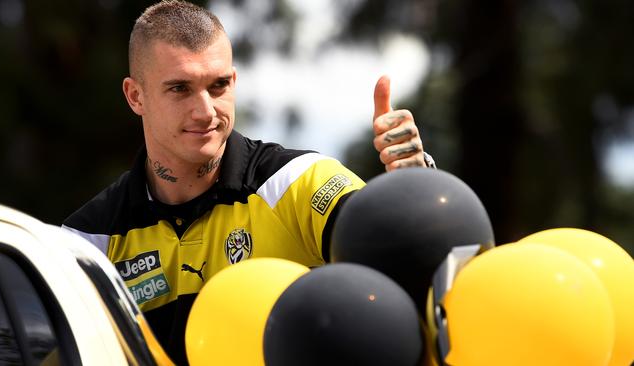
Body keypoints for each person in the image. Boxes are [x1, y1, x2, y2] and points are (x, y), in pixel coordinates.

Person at [62, 1, 435, 364]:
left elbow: (401, 251)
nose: (206, 110)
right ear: (135, 96)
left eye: (219, 85)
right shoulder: (86, 241)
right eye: (180, 88)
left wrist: (410, 189)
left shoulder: (297, 181)